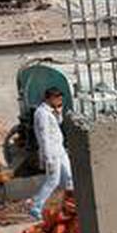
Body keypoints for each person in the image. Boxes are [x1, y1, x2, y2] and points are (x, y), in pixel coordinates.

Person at [29, 87, 72, 220]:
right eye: (57, 99)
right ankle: (36, 206)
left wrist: (59, 113)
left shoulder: (49, 112)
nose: (59, 101)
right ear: (50, 98)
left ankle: (68, 205)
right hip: (52, 152)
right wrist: (47, 157)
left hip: (59, 150)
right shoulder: (41, 113)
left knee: (69, 178)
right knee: (53, 180)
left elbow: (57, 124)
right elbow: (44, 136)